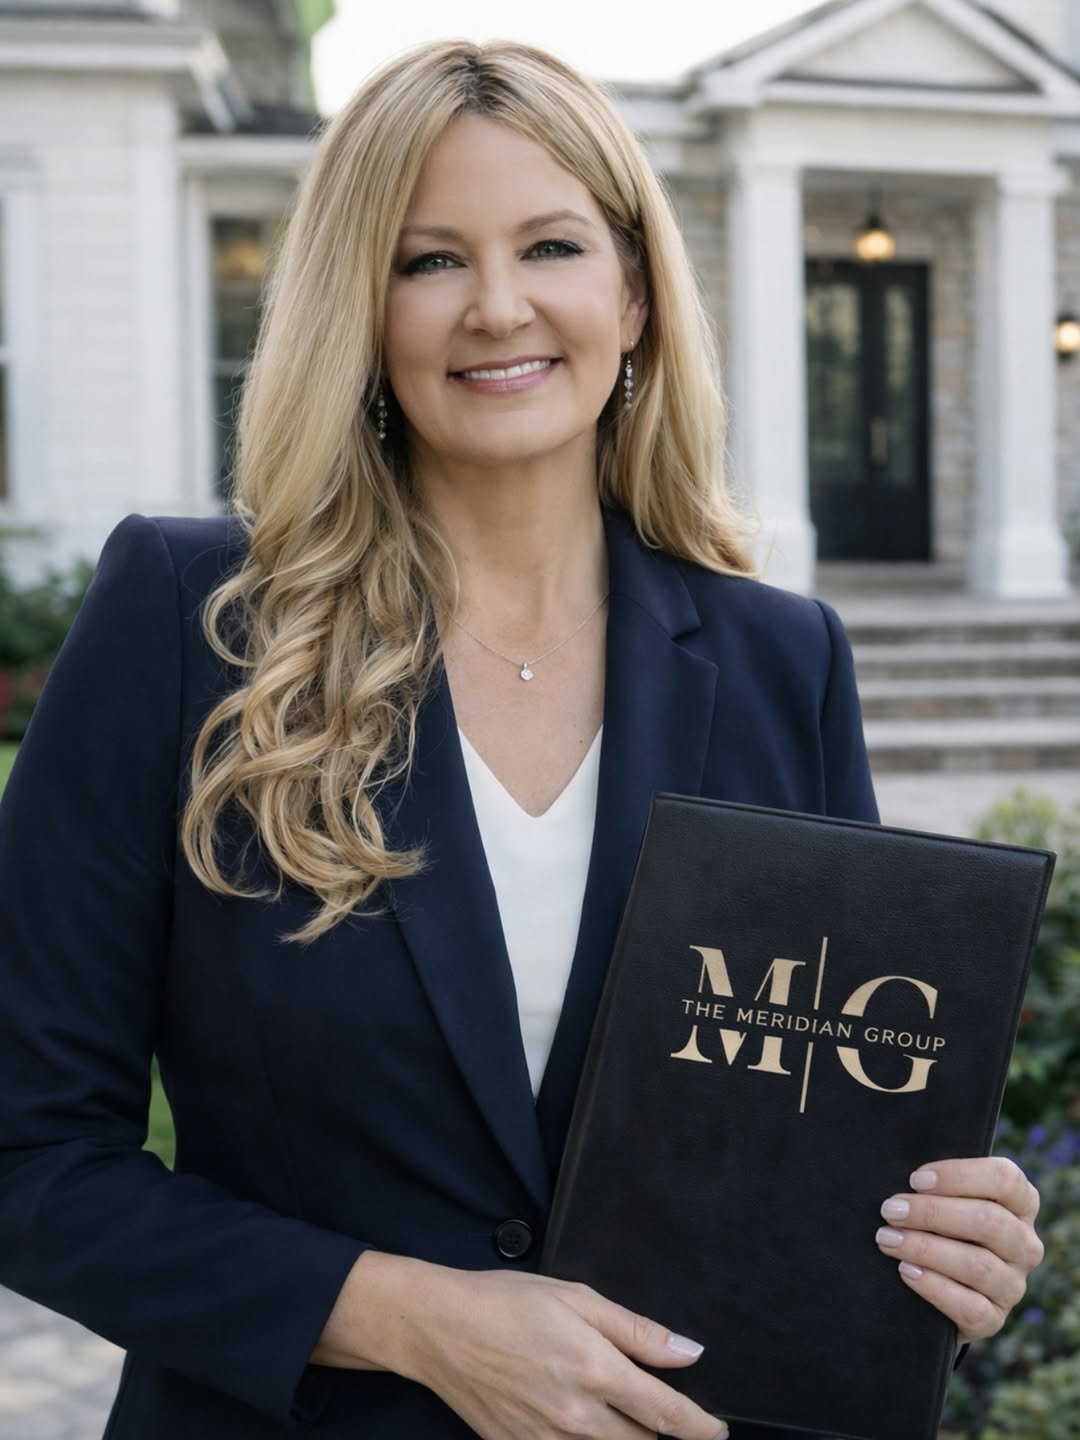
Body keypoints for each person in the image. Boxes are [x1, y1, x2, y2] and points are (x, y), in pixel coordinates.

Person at [0, 38, 1043, 1440]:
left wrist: (948, 1237)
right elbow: (28, 1153)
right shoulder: (190, 622)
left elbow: (816, 1144)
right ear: (360, 310)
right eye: (429, 261)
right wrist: (407, 1318)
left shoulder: (781, 660)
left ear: (633, 292)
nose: (496, 308)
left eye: (549, 245)